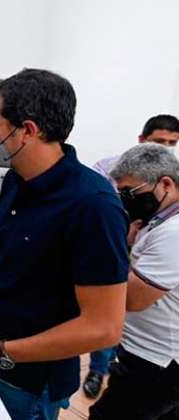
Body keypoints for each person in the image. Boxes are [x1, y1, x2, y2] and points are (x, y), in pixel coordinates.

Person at [0, 69, 129, 420]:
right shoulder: (17, 179)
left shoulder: (93, 205)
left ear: (28, 131)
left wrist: (0, 353)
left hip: (29, 381)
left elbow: (104, 327)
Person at [83, 113, 179, 398]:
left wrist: (117, 251)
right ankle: (98, 369)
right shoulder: (157, 217)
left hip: (157, 359)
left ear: (165, 184)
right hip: (143, 348)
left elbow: (133, 298)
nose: (124, 199)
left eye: (129, 192)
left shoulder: (173, 232)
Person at [93, 114, 179, 185]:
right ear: (142, 139)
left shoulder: (176, 173)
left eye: (172, 142)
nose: (166, 147)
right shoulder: (107, 167)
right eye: (159, 141)